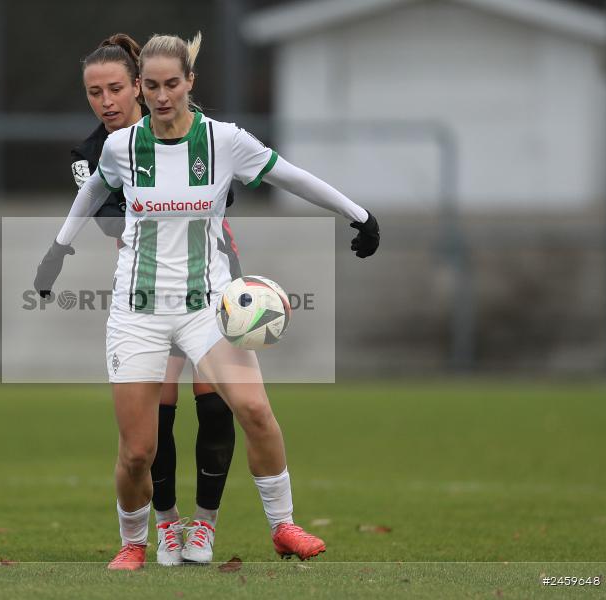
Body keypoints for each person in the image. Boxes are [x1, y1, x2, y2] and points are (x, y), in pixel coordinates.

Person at [36, 32, 380, 571]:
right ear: (141, 88)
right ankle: (135, 542)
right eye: (152, 86)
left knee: (254, 411)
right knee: (138, 450)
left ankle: (283, 526)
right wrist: (57, 250)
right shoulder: (122, 147)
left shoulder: (225, 140)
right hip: (139, 311)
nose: (162, 95)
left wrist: (357, 214)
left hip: (207, 307)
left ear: (190, 82)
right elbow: (93, 190)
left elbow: (291, 176)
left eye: (172, 83)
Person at [70, 33, 241, 566]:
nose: (107, 102)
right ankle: (166, 526)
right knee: (157, 420)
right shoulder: (93, 155)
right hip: (149, 293)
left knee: (216, 405)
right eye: (95, 93)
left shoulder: (189, 128)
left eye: (116, 89)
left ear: (138, 89)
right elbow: (108, 224)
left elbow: (221, 192)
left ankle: (204, 525)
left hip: (208, 279)